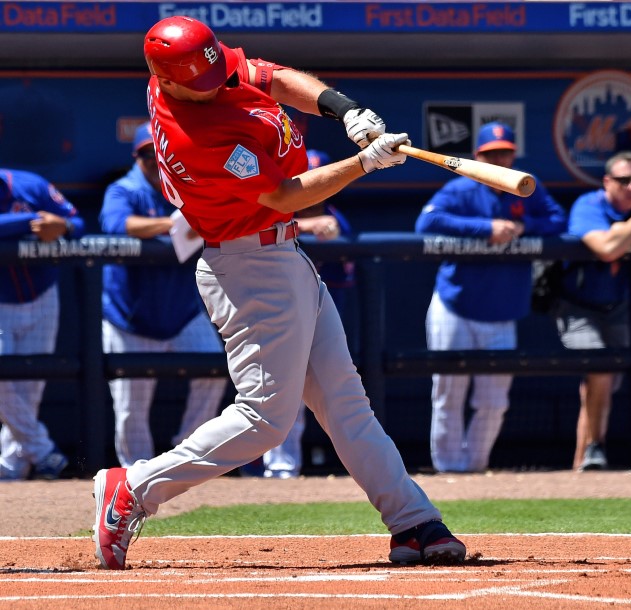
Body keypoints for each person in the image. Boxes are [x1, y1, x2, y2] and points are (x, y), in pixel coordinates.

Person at [93, 16, 466, 570]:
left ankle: (414, 522)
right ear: (165, 82)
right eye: (202, 84)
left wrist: (345, 110)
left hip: (279, 258)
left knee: (346, 406)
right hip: (249, 265)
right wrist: (364, 163)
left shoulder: (198, 68)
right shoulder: (196, 137)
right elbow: (283, 196)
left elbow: (272, 77)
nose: (218, 85)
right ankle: (134, 488)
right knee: (265, 419)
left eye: (217, 73)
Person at [415, 122, 567, 473]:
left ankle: (476, 468)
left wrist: (525, 226)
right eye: (491, 153)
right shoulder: (460, 189)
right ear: (477, 157)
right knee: (449, 394)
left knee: (494, 401)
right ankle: (450, 470)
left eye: (505, 152)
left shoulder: (527, 187)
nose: (500, 159)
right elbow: (426, 223)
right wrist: (486, 229)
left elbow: (558, 220)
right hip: (455, 305)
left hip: (503, 310)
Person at [100, 122, 227, 468]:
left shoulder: (188, 185)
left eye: (160, 154)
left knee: (214, 372)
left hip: (182, 312)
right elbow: (116, 224)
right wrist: (172, 224)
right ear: (137, 157)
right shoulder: (124, 189)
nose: (156, 161)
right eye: (148, 154)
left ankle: (187, 456)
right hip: (130, 319)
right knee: (130, 407)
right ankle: (134, 475)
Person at [555, 150, 631, 472]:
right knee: (600, 370)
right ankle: (592, 449)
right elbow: (608, 250)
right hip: (578, 307)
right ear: (607, 181)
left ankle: (585, 461)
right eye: (624, 180)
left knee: (605, 382)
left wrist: (628, 232)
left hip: (618, 308)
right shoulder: (590, 204)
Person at [246, 149, 356, 479]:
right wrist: (306, 226)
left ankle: (286, 471)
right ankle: (277, 471)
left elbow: (345, 268)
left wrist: (331, 235)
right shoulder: (272, 212)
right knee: (274, 395)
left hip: (319, 320)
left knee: (337, 397)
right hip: (272, 317)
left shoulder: (336, 216)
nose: (313, 189)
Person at [0, 169, 85, 480]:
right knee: (3, 384)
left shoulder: (29, 184)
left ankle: (11, 470)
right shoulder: (31, 212)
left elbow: (78, 223)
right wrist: (32, 221)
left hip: (42, 296)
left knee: (30, 389)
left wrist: (61, 226)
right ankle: (43, 451)